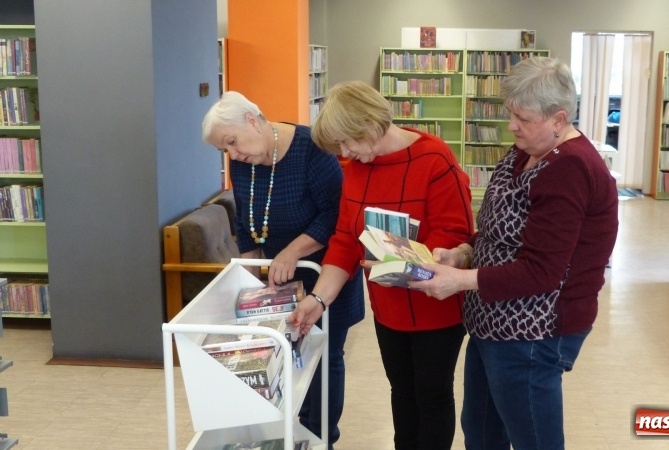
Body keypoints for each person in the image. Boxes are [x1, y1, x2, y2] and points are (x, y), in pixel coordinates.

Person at [409, 57, 619, 450]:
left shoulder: (570, 168)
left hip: (534, 331)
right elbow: (497, 227)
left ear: (558, 118)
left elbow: (542, 272)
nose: (511, 126)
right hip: (495, 322)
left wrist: (460, 281)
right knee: (482, 432)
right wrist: (464, 252)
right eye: (510, 114)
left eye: (522, 118)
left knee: (532, 440)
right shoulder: (527, 149)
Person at [288, 80, 474, 450]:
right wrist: (317, 300)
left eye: (348, 142)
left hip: (435, 308)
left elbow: (455, 236)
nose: (344, 153)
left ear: (371, 125)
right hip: (388, 308)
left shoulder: (433, 159)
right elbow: (344, 239)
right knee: (402, 393)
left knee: (432, 396)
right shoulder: (356, 166)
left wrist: (408, 255)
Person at [201, 91, 364, 448]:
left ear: (252, 120)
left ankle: (321, 437)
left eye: (232, 142)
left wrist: (293, 250)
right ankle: (290, 435)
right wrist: (248, 276)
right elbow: (245, 219)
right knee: (285, 355)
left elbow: (337, 215)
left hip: (325, 270)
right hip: (279, 279)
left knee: (324, 357)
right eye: (224, 150)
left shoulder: (311, 148)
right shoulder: (244, 160)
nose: (233, 154)